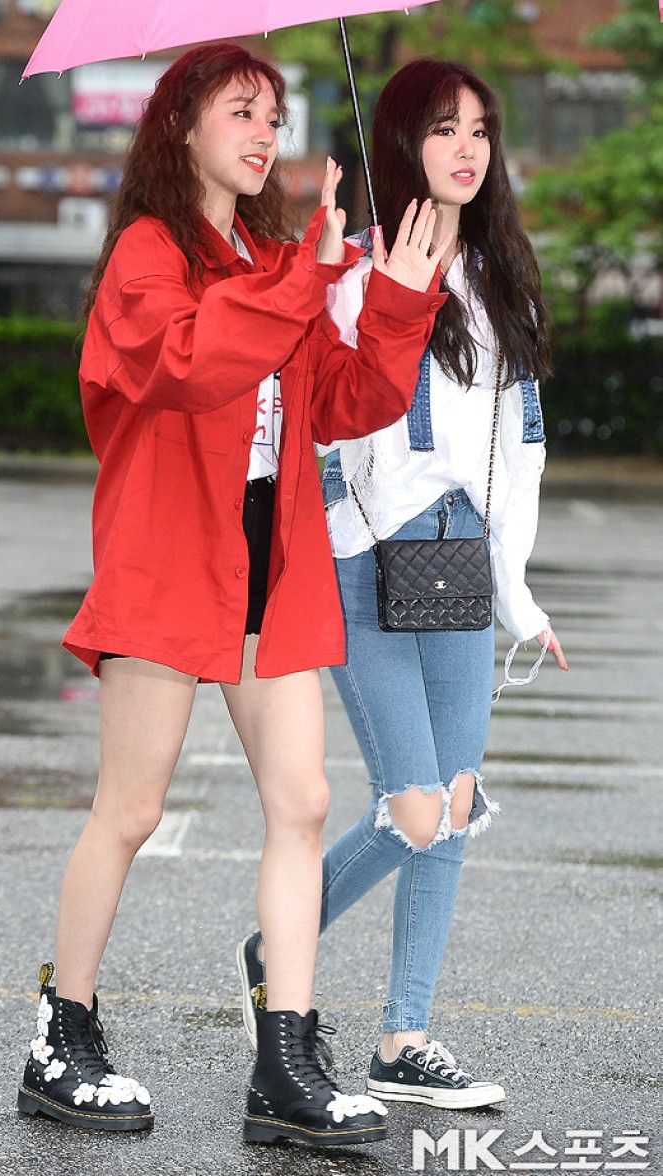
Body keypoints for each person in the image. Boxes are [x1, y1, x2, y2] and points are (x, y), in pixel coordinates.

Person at [15, 43, 452, 1147]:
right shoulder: (147, 253)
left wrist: (398, 300)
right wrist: (304, 278)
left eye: (274, 115)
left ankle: (285, 1062)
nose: (265, 134)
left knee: (301, 803)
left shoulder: (268, 256)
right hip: (169, 562)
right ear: (181, 125)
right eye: (241, 112)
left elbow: (342, 401)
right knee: (130, 810)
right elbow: (184, 364)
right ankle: (61, 1035)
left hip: (270, 566)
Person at [238, 57, 569, 1111]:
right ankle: (277, 945)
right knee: (414, 807)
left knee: (456, 803)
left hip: (458, 552)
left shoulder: (503, 276)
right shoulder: (354, 268)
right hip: (362, 550)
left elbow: (518, 453)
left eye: (479, 128)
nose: (466, 148)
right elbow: (327, 417)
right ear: (400, 144)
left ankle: (403, 1037)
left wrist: (518, 594)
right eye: (441, 128)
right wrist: (377, 289)